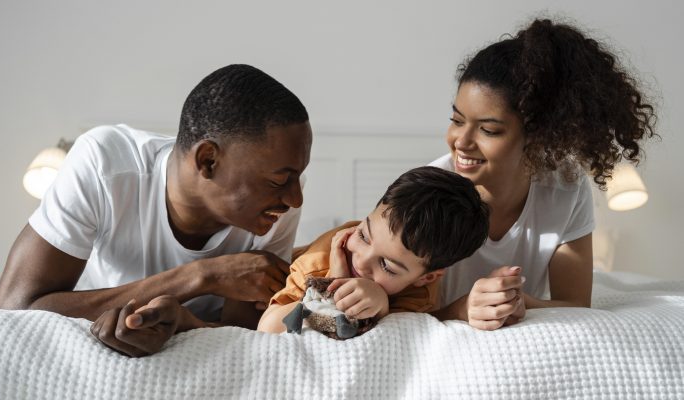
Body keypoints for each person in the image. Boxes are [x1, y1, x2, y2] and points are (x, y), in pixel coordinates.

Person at [0, 64, 313, 356]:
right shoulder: (106, 164)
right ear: (208, 161)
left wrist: (184, 322)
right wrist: (200, 277)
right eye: (280, 180)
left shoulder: (274, 210)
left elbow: (251, 337)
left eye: (297, 177)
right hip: (85, 342)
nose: (295, 199)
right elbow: (12, 309)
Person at [430, 19, 657, 330]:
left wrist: (519, 300)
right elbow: (395, 311)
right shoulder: (425, 192)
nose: (462, 142)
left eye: (488, 130)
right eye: (456, 120)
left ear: (538, 138)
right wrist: (463, 307)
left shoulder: (566, 189)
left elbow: (576, 304)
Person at [257, 166, 490, 334]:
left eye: (387, 265)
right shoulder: (321, 259)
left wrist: (383, 308)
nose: (362, 261)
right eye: (363, 236)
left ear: (426, 277)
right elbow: (268, 327)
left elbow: (399, 338)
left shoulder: (420, 291)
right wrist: (330, 285)